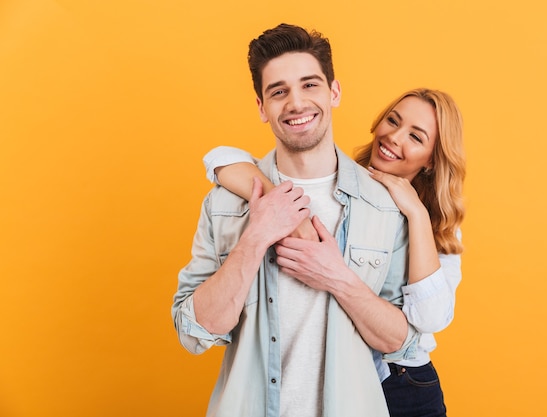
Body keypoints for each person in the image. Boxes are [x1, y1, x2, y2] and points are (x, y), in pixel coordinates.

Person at [172, 23, 420, 417]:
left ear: (334, 92)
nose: (296, 103)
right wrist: (256, 238)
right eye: (278, 91)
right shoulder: (224, 204)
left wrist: (336, 276)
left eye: (309, 85)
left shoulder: (385, 208)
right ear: (261, 107)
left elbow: (401, 342)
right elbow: (193, 333)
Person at [202, 87, 466, 417]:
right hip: (340, 379)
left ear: (431, 159)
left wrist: (416, 214)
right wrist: (275, 197)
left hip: (403, 383)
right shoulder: (337, 182)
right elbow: (219, 158)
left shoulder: (435, 222)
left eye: (416, 137)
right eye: (393, 121)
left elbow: (429, 319)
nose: (394, 138)